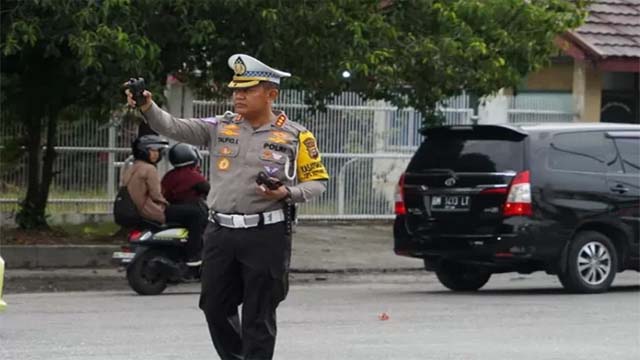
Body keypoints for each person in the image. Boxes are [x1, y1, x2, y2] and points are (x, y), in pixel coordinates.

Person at [125, 54, 329, 359]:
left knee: (258, 315)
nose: (238, 95)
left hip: (266, 234)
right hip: (220, 232)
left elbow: (317, 181)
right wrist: (146, 106)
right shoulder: (220, 126)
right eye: (236, 89)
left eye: (247, 90)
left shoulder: (296, 136)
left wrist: (288, 192)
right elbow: (174, 127)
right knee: (215, 307)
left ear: (271, 94)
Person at [122, 135, 207, 267]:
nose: (157, 154)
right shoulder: (150, 169)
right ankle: (193, 255)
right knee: (197, 214)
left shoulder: (132, 168)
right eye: (154, 150)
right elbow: (157, 195)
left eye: (158, 151)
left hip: (136, 208)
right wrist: (166, 206)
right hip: (150, 210)